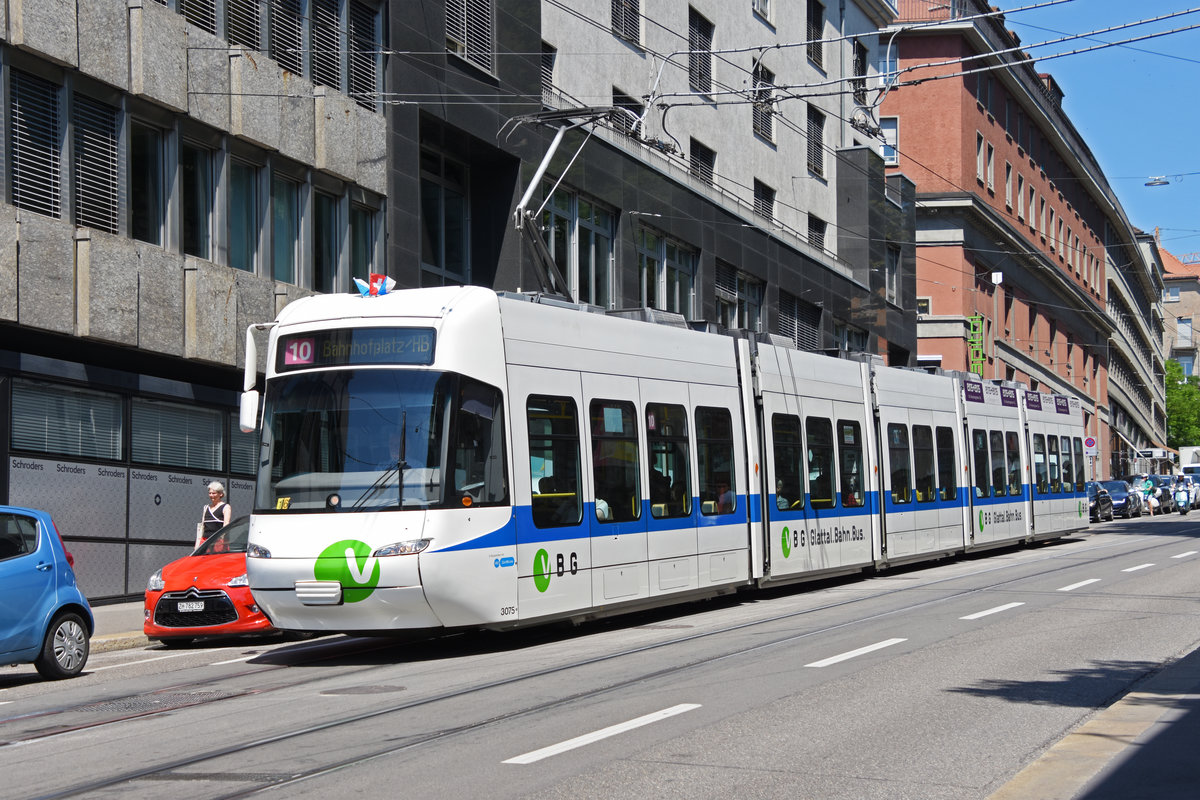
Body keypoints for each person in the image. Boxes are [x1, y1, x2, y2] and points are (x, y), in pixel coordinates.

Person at [198, 481, 232, 546]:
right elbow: (202, 526)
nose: (211, 495)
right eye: (210, 493)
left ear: (221, 494)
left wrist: (222, 542)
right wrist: (198, 544)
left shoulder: (226, 507)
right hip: (205, 541)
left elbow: (226, 525)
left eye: (214, 493)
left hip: (218, 541)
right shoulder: (206, 508)